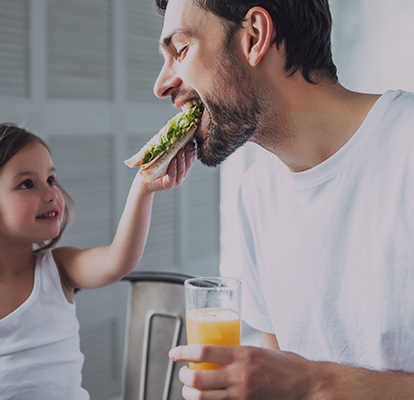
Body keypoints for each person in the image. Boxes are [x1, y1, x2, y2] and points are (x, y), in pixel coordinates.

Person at [151, 0, 414, 398]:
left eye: (181, 50)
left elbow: (298, 384)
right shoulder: (256, 195)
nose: (162, 84)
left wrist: (313, 384)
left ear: (254, 36)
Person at [0, 123, 195, 399]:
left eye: (51, 179)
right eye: (27, 184)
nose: (51, 193)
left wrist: (143, 187)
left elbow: (119, 260)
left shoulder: (58, 267)